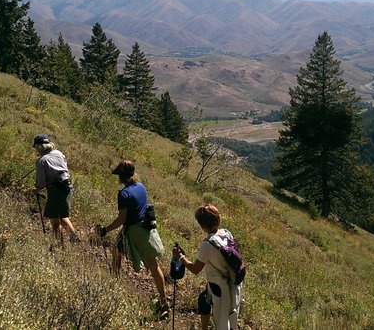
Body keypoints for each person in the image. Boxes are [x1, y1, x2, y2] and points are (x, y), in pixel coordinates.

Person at [95, 160, 168, 312]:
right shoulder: (141, 186)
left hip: (134, 230)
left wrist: (105, 230)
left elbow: (121, 220)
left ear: (121, 177)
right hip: (147, 227)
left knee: (117, 251)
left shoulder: (124, 194)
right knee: (152, 264)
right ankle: (163, 301)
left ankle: (113, 285)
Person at [172, 204, 242, 330]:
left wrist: (181, 257)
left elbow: (195, 269)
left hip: (219, 286)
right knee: (206, 301)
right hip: (234, 283)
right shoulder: (227, 233)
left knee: (221, 320)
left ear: (202, 226)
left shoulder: (207, 244)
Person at [33, 134, 79, 246]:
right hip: (67, 186)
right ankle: (73, 237)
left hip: (55, 190)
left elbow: (41, 183)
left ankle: (59, 245)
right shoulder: (58, 153)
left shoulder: (41, 161)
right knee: (62, 214)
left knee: (54, 219)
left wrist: (36, 190)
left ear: (39, 147)